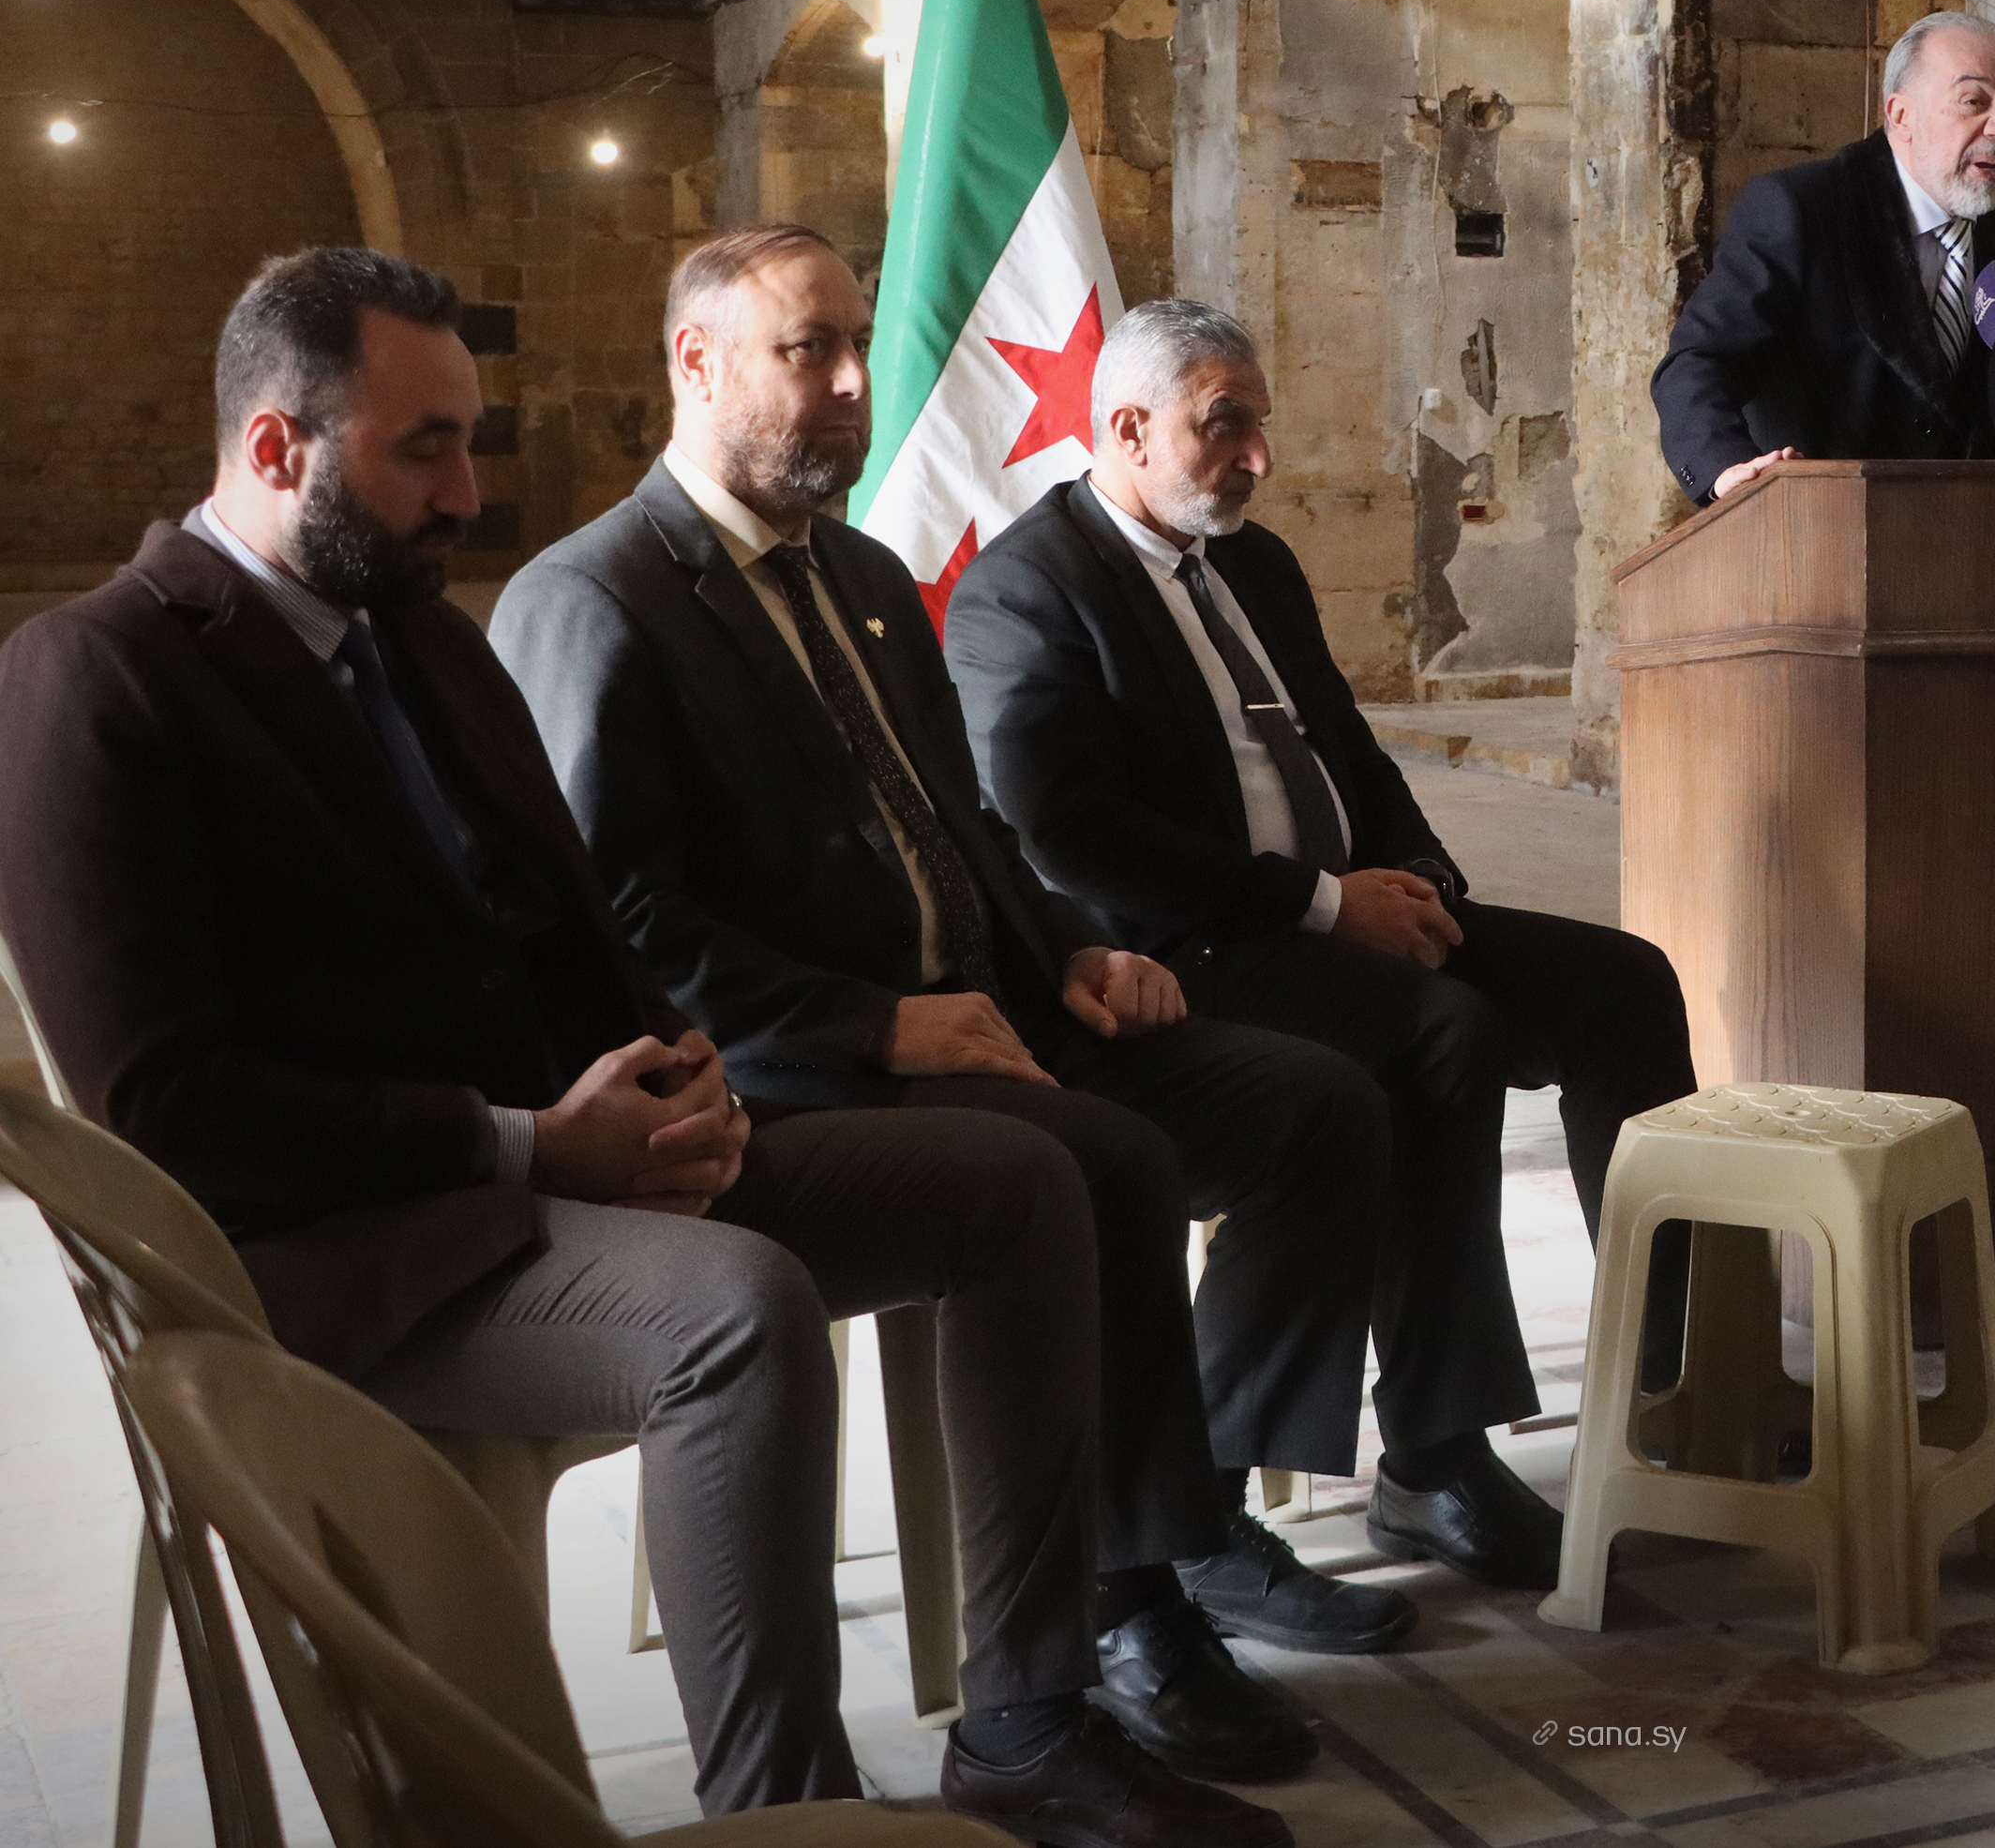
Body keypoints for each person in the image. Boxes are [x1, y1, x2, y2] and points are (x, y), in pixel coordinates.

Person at [0, 248, 1281, 1844]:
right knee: (732, 1312)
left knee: (1023, 1183)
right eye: (425, 450)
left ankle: (1027, 1718)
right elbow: (162, 1105)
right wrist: (528, 1141)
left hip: (563, 1171)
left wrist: (681, 1082)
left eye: (473, 439)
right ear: (276, 447)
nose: (469, 492)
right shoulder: (100, 671)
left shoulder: (423, 639)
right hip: (342, 1246)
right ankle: (787, 1812)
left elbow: (581, 933)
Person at [488, 226, 1459, 1789]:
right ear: (696, 363)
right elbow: (624, 922)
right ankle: (1125, 1607)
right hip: (794, 1070)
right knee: (1100, 1161)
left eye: (855, 346)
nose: (851, 383)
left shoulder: (866, 577)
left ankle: (1195, 1518)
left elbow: (969, 823)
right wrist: (876, 1025)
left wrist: (1065, 944)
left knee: (1310, 1102)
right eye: (807, 349)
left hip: (994, 1011)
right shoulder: (596, 594)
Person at [943, 297, 1700, 1448]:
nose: (1258, 457)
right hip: (1188, 946)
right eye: (1225, 425)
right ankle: (1437, 1452)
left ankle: (1667, 1398)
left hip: (1339, 911)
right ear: (1130, 427)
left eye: (1261, 424)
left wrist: (1423, 876)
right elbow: (1075, 836)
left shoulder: (1255, 564)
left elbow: (1347, 746)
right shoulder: (1028, 588)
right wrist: (1326, 904)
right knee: (1443, 1033)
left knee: (1623, 984)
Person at [1651, 9, 1995, 503]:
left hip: (1981, 527)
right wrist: (1727, 469)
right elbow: (1699, 362)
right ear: (1902, 115)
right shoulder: (1802, 208)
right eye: (1974, 101)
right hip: (1824, 523)